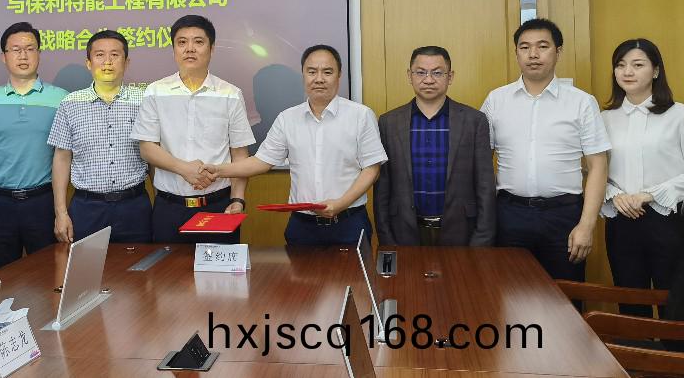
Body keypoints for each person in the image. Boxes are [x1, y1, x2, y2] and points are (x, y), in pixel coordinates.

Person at [205, 45, 387, 246]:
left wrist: (340, 204)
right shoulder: (287, 119)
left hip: (348, 222)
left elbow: (372, 169)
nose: (319, 79)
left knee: (353, 269)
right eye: (312, 72)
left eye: (327, 72)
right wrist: (217, 170)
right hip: (302, 226)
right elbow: (261, 161)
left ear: (339, 75)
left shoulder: (361, 115)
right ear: (303, 75)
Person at [481, 18, 610, 281]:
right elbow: (480, 160)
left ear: (558, 51)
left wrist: (587, 225)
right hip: (509, 215)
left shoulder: (582, 102)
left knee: (565, 297)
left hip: (564, 216)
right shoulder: (496, 100)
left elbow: (598, 165)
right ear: (516, 52)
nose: (533, 54)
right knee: (510, 295)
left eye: (542, 46)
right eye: (525, 47)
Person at [601, 38, 684, 316]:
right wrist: (615, 195)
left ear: (655, 71)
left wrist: (650, 194)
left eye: (637, 65)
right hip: (621, 222)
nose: (628, 72)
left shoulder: (680, 115)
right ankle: (635, 346)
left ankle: (673, 346)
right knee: (630, 302)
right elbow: (595, 170)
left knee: (673, 303)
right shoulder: (605, 118)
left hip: (668, 222)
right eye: (621, 65)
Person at [131, 15, 254, 243]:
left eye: (198, 42)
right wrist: (184, 169)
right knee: (167, 267)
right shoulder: (155, 91)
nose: (190, 49)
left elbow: (239, 155)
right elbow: (147, 148)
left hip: (219, 206)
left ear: (212, 48)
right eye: (182, 42)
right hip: (169, 208)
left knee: (218, 268)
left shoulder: (230, 94)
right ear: (174, 50)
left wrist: (237, 200)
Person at [374, 46, 495, 247]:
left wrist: (482, 239)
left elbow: (485, 185)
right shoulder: (389, 122)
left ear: (450, 77)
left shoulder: (474, 121)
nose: (428, 80)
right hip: (403, 231)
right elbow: (382, 188)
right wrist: (386, 237)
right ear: (409, 75)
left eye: (437, 73)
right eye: (420, 72)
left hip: (461, 231)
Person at [0, 22, 67, 270]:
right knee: (2, 276)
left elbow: (64, 155)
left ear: (39, 53)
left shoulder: (61, 99)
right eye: (15, 50)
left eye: (30, 49)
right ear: (4, 56)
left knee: (47, 275)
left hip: (42, 202)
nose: (23, 56)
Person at [49, 30, 150, 243]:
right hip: (87, 208)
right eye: (99, 55)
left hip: (134, 207)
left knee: (139, 264)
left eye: (115, 55)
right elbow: (61, 159)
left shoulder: (144, 101)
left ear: (126, 62)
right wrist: (60, 212)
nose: (107, 62)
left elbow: (154, 155)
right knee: (87, 265)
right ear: (88, 63)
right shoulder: (70, 104)